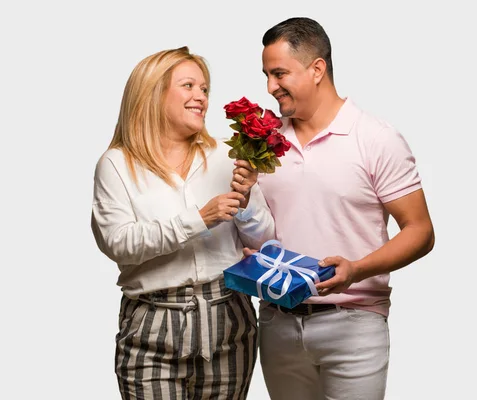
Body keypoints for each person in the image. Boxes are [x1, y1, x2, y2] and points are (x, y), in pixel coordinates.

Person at [253, 17, 435, 399]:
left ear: (317, 69)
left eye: (279, 73)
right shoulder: (264, 145)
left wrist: (357, 269)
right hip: (276, 324)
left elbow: (420, 231)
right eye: (267, 75)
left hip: (354, 325)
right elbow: (260, 227)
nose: (270, 87)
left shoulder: (376, 138)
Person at [91, 46, 274, 400]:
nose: (200, 97)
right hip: (152, 323)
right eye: (188, 86)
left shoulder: (227, 155)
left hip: (228, 318)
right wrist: (199, 219)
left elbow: (265, 239)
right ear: (153, 93)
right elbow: (119, 244)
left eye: (204, 89)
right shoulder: (116, 164)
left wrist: (247, 202)